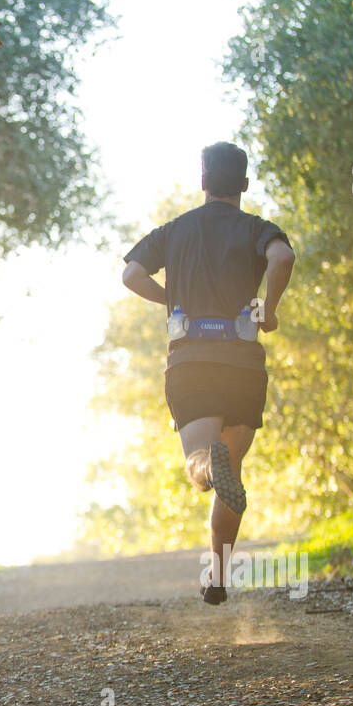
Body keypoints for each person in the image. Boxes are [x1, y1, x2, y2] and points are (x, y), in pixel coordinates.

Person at [120, 142, 295, 605]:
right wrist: (268, 311)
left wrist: (170, 298)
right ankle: (217, 575)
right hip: (240, 361)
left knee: (202, 461)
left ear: (202, 182)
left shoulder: (175, 231)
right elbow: (283, 259)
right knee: (231, 468)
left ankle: (206, 468)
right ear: (243, 184)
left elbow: (131, 274)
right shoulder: (258, 229)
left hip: (190, 361)